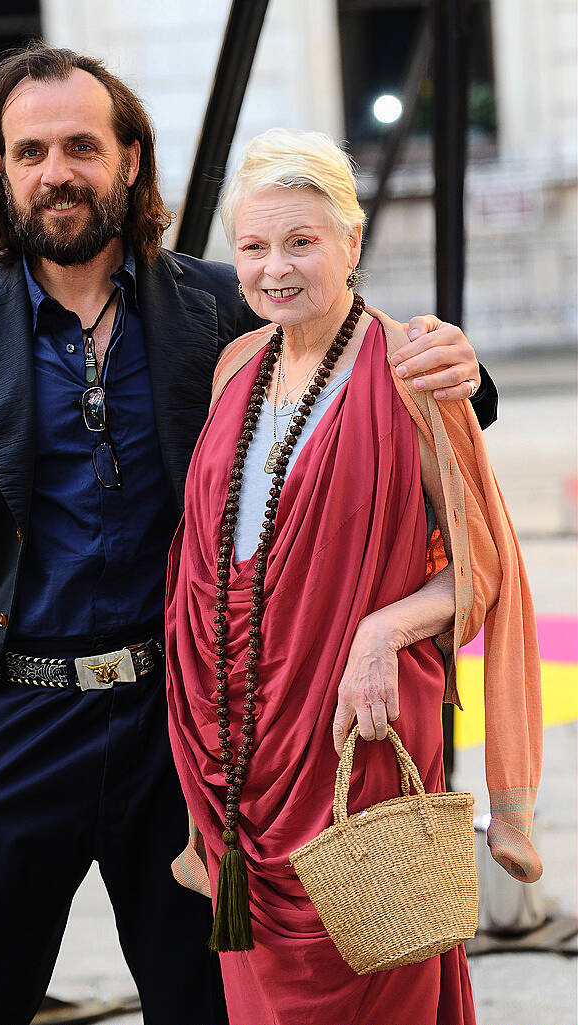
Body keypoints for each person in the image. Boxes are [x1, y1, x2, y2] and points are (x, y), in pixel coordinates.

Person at [0, 44, 496, 1025]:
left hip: (187, 736)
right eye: (28, 150)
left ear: (129, 159)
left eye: (82, 144)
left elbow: (353, 354)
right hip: (13, 728)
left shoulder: (222, 300)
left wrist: (461, 364)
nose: (56, 170)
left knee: (208, 1008)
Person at [166, 129, 542, 1025]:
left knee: (374, 978)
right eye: (253, 247)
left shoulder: (412, 369)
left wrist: (380, 631)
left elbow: (482, 567)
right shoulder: (233, 368)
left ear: (351, 242)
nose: (274, 268)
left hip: (353, 734)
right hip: (238, 752)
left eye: (301, 241)